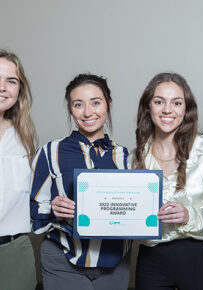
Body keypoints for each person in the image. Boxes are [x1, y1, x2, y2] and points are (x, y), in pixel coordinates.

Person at [30, 74, 131, 290]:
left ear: (108, 105)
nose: (87, 112)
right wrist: (52, 209)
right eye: (78, 104)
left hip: (116, 261)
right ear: (70, 109)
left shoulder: (126, 156)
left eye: (96, 102)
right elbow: (33, 207)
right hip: (62, 259)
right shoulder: (49, 152)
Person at [130, 72, 203, 290]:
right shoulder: (134, 157)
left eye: (176, 102)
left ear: (186, 108)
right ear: (148, 107)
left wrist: (189, 214)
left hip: (198, 257)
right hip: (151, 260)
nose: (167, 110)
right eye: (159, 101)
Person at [0, 49, 37, 290]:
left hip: (14, 252)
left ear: (19, 90)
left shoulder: (25, 139)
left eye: (11, 81)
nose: (3, 87)